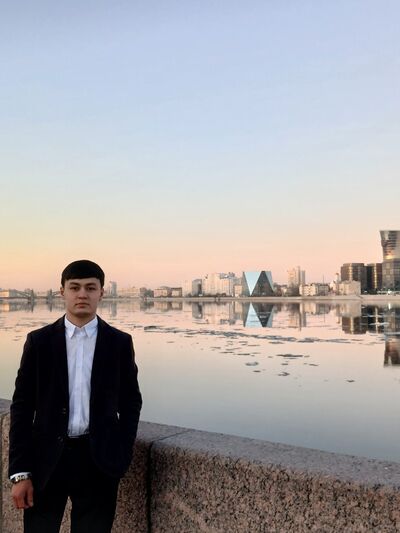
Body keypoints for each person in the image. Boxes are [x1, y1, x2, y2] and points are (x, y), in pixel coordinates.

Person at [9, 259, 142, 533]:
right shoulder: (39, 342)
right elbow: (22, 407)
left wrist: (122, 452)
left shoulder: (119, 342)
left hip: (99, 463)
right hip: (46, 461)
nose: (82, 294)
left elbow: (131, 402)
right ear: (62, 292)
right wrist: (20, 472)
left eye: (90, 288)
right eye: (75, 287)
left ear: (102, 292)